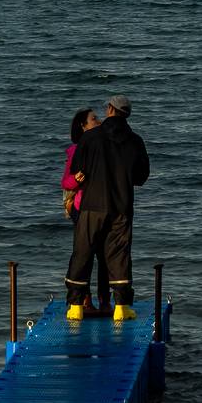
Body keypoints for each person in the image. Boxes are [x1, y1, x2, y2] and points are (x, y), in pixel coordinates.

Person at [65, 95, 149, 323]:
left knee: (83, 252)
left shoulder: (91, 137)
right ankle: (121, 307)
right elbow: (141, 177)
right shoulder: (135, 141)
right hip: (121, 205)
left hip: (92, 204)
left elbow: (77, 170)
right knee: (119, 255)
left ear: (110, 109)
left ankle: (75, 307)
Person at [61, 107, 110, 315]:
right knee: (86, 255)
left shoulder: (103, 144)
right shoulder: (77, 149)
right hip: (82, 208)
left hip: (100, 206)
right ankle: (86, 301)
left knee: (104, 255)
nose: (98, 121)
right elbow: (66, 181)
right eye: (93, 119)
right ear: (83, 126)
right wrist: (78, 178)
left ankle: (104, 301)